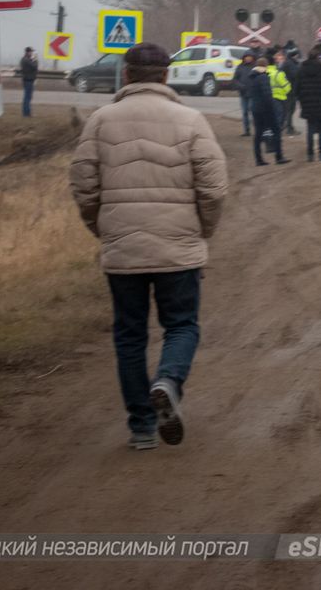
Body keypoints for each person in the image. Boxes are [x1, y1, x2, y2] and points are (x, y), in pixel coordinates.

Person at [69, 43, 228, 450]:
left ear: (125, 75)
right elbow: (213, 187)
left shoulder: (100, 122)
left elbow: (84, 187)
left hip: (122, 247)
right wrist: (201, 231)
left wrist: (104, 229)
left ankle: (141, 427)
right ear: (166, 76)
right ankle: (168, 381)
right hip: (179, 246)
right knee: (181, 325)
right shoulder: (191, 120)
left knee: (129, 335)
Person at [296, 45, 321, 162]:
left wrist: (301, 100)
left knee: (310, 129)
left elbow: (297, 88)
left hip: (307, 103)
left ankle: (310, 154)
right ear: (318, 57)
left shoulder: (301, 70)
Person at [248, 56, 289, 166]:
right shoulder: (264, 77)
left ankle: (258, 159)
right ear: (265, 66)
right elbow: (267, 95)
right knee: (276, 131)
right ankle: (279, 157)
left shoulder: (252, 77)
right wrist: (272, 108)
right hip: (266, 110)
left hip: (255, 109)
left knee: (258, 134)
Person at [232, 53, 257, 136]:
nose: (248, 59)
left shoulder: (255, 67)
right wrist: (240, 86)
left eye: (249, 57)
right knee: (244, 112)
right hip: (243, 93)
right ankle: (246, 131)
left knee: (253, 112)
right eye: (246, 57)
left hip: (253, 93)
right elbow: (235, 79)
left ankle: (257, 130)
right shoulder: (240, 67)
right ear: (244, 58)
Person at [266, 49, 293, 129]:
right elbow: (287, 87)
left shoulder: (265, 72)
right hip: (281, 97)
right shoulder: (278, 72)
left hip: (268, 97)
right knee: (280, 116)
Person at [19, 46, 39, 118]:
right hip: (28, 81)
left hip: (28, 80)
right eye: (31, 52)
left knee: (28, 97)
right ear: (28, 52)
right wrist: (35, 59)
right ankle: (26, 114)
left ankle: (27, 113)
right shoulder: (26, 60)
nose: (32, 53)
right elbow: (35, 66)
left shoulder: (25, 59)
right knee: (27, 98)